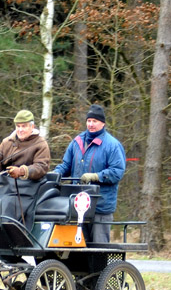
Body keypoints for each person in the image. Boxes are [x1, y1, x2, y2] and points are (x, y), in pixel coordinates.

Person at [53, 104, 126, 243]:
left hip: (100, 206)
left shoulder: (112, 145)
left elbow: (117, 171)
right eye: (89, 121)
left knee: (98, 249)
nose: (91, 124)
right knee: (77, 248)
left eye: (95, 121)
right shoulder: (76, 142)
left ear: (103, 123)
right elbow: (66, 166)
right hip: (77, 206)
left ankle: (100, 266)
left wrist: (96, 176)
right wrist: (54, 175)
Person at [0, 109, 50, 229]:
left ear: (32, 127)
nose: (20, 130)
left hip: (29, 185)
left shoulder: (40, 144)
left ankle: (5, 231)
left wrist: (21, 171)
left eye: (24, 126)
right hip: (6, 182)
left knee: (8, 202)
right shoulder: (7, 142)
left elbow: (41, 167)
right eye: (18, 126)